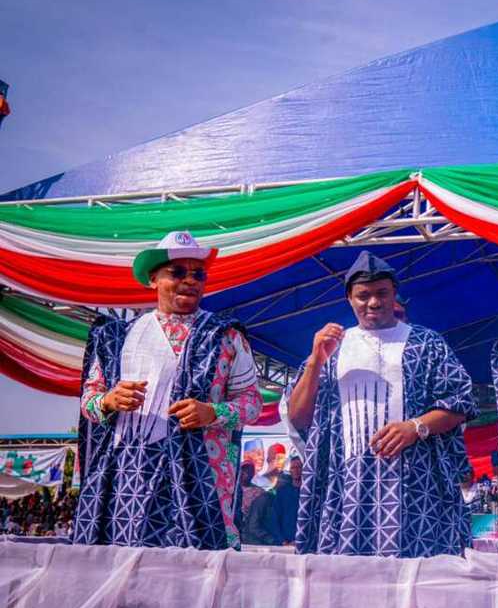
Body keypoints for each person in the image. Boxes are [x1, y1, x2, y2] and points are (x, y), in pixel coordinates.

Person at [74, 231, 261, 549]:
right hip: (127, 474)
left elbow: (252, 403)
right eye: (177, 272)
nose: (190, 280)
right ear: (153, 279)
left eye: (198, 274)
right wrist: (108, 400)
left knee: (198, 571)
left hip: (201, 475)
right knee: (124, 568)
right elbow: (88, 400)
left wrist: (213, 412)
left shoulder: (226, 335)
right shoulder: (115, 337)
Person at [284, 252, 477, 557]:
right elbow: (298, 417)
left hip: (416, 490)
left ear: (394, 294)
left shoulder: (426, 343)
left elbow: (461, 400)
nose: (373, 302)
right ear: (349, 298)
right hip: (344, 489)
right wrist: (314, 361)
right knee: (347, 583)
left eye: (382, 293)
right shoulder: (333, 347)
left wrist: (415, 427)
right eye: (363, 295)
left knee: (416, 581)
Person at [273, 456, 301, 544]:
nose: (296, 470)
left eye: (299, 467)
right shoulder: (282, 492)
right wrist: (282, 541)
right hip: (286, 542)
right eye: (293, 468)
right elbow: (275, 518)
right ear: (290, 470)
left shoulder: (309, 493)